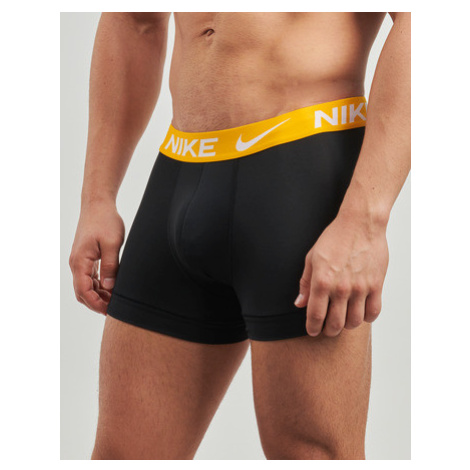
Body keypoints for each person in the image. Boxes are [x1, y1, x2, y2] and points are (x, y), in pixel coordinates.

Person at [69, 12, 410, 460]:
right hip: (178, 172)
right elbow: (135, 21)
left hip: (301, 174)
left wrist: (365, 221)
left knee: (311, 455)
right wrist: (97, 196)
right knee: (123, 457)